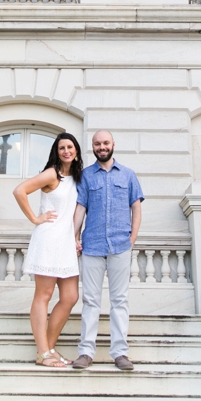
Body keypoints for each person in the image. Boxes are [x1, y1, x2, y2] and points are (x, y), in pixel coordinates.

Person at [71, 130, 144, 371]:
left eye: (105, 143)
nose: (101, 147)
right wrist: (74, 237)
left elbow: (136, 208)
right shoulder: (85, 176)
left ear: (113, 144)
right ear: (92, 147)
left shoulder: (129, 175)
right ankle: (86, 352)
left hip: (120, 246)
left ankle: (120, 353)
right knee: (90, 300)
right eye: (97, 144)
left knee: (119, 300)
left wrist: (132, 238)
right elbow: (80, 209)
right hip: (92, 246)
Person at [12, 132, 84, 368]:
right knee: (43, 295)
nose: (66, 151)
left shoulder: (75, 177)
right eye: (62, 147)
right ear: (56, 151)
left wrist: (75, 236)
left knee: (70, 297)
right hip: (48, 239)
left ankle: (48, 349)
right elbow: (20, 190)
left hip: (65, 243)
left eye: (70, 147)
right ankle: (44, 352)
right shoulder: (52, 173)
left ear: (76, 152)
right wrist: (35, 218)